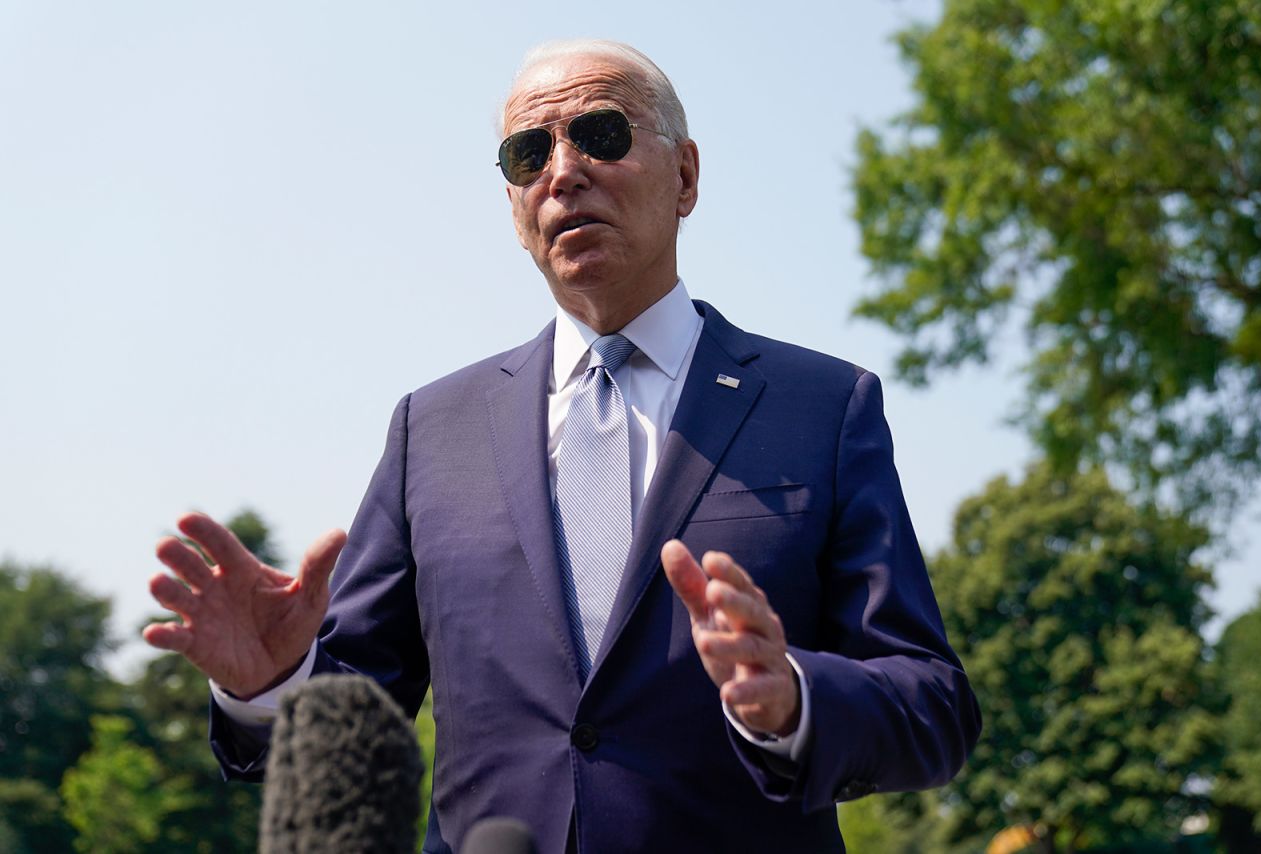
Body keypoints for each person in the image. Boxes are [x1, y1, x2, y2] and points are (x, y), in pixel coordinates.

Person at [145, 39, 980, 854]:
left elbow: (932, 705)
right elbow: (357, 707)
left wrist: (793, 699)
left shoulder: (823, 409)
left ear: (685, 175)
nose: (563, 170)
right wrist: (269, 684)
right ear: (514, 210)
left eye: (602, 134)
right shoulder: (429, 430)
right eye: (527, 152)